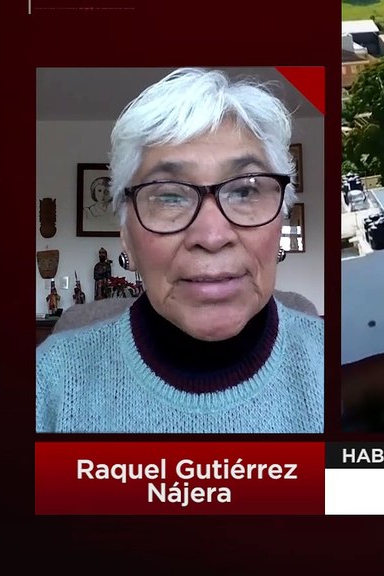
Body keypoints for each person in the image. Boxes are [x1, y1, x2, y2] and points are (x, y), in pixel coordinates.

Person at [36, 68, 324, 433]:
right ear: (127, 235)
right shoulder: (50, 384)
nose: (212, 235)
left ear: (280, 220)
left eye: (245, 190)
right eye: (170, 195)